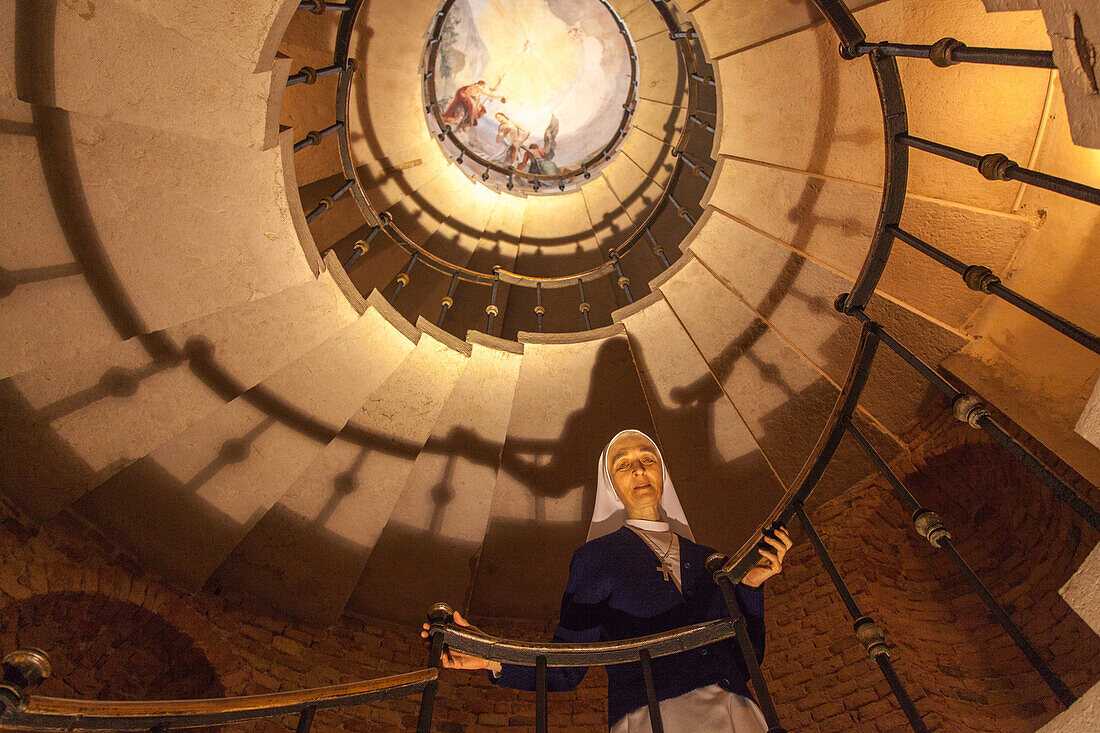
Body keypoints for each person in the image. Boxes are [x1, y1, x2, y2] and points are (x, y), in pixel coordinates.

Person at [422, 429, 793, 731]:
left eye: (648, 459)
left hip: (736, 712)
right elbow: (567, 665)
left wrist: (751, 585)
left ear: (662, 473)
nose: (638, 470)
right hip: (653, 715)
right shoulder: (596, 558)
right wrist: (493, 657)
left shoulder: (708, 559)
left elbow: (745, 659)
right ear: (611, 485)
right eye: (624, 464)